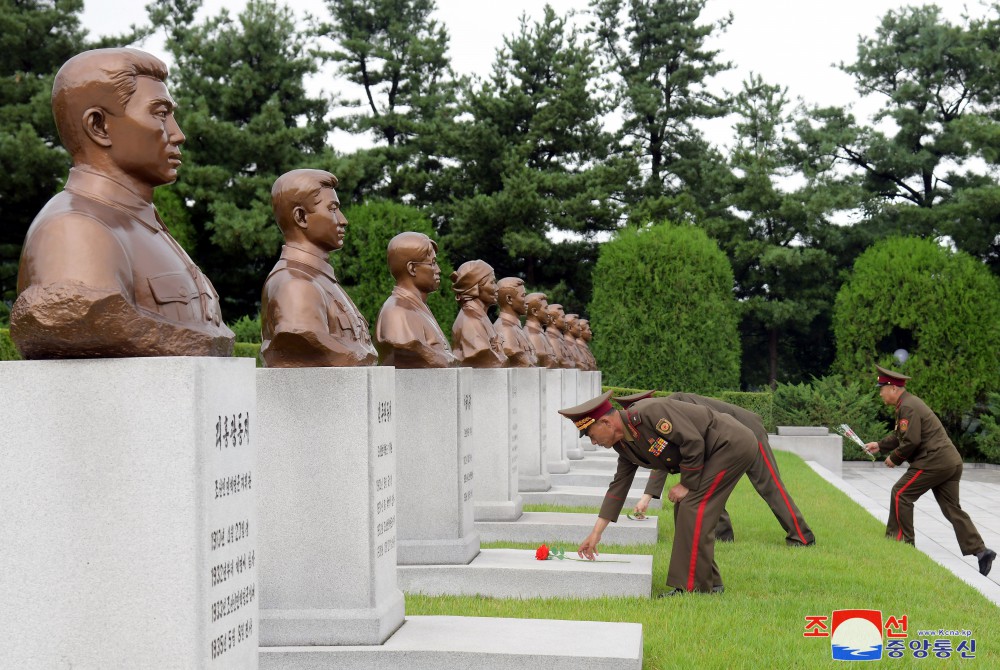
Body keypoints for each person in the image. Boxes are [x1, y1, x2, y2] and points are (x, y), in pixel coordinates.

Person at [11, 48, 233, 358]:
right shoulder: (74, 229)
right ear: (99, 126)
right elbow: (81, 318)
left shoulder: (147, 227)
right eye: (160, 113)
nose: (178, 134)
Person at [560, 391, 757, 595]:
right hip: (716, 451)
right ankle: (711, 583)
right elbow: (619, 486)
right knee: (686, 509)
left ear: (606, 423)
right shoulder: (624, 444)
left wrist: (686, 484)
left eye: (592, 435)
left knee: (692, 507)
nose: (593, 442)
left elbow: (692, 441)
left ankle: (691, 588)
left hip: (730, 444)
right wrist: (596, 533)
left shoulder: (650, 413)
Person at [623, 391, 816, 546]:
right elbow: (662, 457)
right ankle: (723, 537)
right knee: (707, 484)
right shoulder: (659, 417)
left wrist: (647, 497)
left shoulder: (670, 408)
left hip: (748, 431)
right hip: (718, 445)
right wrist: (646, 497)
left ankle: (802, 536)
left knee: (768, 485)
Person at [864, 365, 995, 576]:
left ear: (894, 388)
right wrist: (880, 445)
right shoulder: (907, 404)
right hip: (950, 461)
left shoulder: (907, 406)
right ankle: (981, 552)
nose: (880, 393)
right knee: (952, 509)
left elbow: (912, 441)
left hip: (934, 461)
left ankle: (902, 544)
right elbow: (902, 435)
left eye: (882, 388)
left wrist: (894, 458)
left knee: (901, 493)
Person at [260, 169, 377, 367]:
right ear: (301, 217)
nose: (343, 220)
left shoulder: (320, 281)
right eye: (332, 209)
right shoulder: (296, 285)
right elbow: (302, 337)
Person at [374, 232, 457, 368]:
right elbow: (405, 346)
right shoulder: (397, 312)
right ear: (412, 268)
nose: (438, 270)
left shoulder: (416, 308)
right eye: (433, 263)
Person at [450, 260, 507, 368]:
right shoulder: (470, 320)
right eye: (492, 282)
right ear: (475, 286)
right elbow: (485, 356)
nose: (497, 288)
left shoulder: (479, 317)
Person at [493, 277, 537, 367]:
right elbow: (513, 353)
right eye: (523, 296)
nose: (527, 302)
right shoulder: (505, 328)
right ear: (509, 299)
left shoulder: (515, 327)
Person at [524, 292, 557, 368]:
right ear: (534, 311)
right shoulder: (532, 335)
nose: (549, 313)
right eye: (546, 308)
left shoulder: (540, 333)